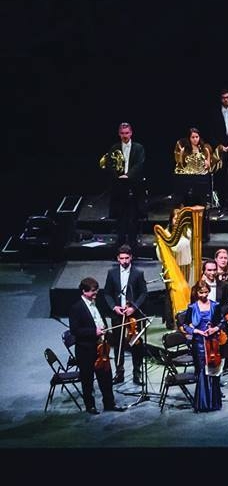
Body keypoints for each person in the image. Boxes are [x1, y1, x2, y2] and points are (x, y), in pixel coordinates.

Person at [69, 277, 122, 414]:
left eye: (96, 291)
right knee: (87, 379)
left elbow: (99, 319)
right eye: (93, 291)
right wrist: (94, 331)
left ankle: (109, 403)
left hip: (101, 348)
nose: (95, 294)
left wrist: (104, 328)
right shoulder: (76, 308)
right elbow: (75, 330)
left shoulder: (96, 303)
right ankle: (90, 406)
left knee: (106, 377)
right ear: (84, 291)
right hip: (86, 349)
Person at [101, 245, 148, 386]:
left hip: (134, 315)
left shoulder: (138, 273)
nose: (124, 261)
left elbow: (143, 293)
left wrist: (133, 307)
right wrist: (114, 307)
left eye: (127, 258)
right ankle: (119, 372)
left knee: (136, 344)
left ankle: (137, 372)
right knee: (118, 343)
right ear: (118, 258)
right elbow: (107, 293)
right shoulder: (112, 273)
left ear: (131, 257)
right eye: (122, 258)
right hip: (118, 314)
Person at [177, 281, 223, 412]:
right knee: (202, 370)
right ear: (196, 293)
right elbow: (185, 326)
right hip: (198, 342)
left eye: (206, 292)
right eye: (201, 292)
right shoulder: (192, 307)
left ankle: (214, 403)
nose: (204, 295)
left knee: (214, 369)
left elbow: (222, 321)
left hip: (212, 341)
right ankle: (202, 404)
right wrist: (196, 331)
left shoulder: (215, 305)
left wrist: (215, 329)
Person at [101, 121, 145, 248]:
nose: (125, 136)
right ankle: (120, 239)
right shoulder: (114, 148)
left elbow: (139, 164)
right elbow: (109, 164)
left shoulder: (139, 147)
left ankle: (132, 240)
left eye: (127, 133)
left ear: (131, 133)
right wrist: (118, 176)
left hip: (133, 185)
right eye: (122, 133)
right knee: (120, 214)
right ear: (119, 134)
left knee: (133, 214)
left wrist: (128, 175)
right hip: (119, 184)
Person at [174, 127, 215, 207]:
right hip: (188, 178)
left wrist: (206, 163)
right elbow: (181, 165)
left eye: (197, 137)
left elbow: (209, 166)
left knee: (201, 200)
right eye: (193, 137)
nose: (195, 139)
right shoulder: (184, 150)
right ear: (189, 138)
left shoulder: (204, 149)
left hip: (201, 178)